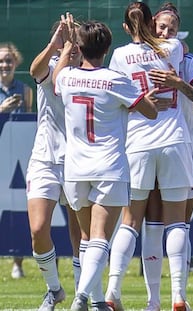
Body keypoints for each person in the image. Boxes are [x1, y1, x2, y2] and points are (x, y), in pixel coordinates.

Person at [52, 15, 158, 311]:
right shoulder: (115, 79)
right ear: (108, 49)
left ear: (80, 47)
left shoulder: (68, 78)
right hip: (108, 166)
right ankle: (81, 297)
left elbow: (56, 80)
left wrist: (67, 45)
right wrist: (141, 99)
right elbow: (149, 112)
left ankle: (97, 300)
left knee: (87, 238)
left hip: (75, 168)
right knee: (99, 238)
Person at [103, 2, 193, 311]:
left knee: (129, 222)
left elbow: (114, 97)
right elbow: (174, 54)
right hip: (173, 140)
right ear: (153, 22)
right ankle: (178, 296)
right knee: (176, 222)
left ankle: (113, 291)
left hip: (138, 141)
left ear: (128, 27)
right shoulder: (175, 47)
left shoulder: (120, 56)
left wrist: (140, 101)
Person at [139, 3, 193, 311]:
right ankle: (155, 300)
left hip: (183, 147)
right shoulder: (137, 56)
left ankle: (177, 296)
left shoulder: (188, 59)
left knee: (178, 222)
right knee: (151, 223)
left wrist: (179, 83)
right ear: (151, 27)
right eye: (161, 28)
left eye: (171, 29)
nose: (166, 33)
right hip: (147, 146)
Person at [27, 17, 83, 310]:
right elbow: (36, 71)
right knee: (38, 229)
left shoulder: (86, 70)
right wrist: (55, 44)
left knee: (79, 234)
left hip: (78, 159)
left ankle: (79, 296)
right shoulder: (48, 65)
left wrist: (74, 49)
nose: (71, 43)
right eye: (66, 36)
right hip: (45, 159)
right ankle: (54, 289)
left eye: (75, 37)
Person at [0, 42, 33, 279]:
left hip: (18, 159)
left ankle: (18, 262)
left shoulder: (25, 89)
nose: (5, 65)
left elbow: (31, 122)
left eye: (9, 60)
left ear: (16, 63)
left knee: (20, 210)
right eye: (1, 61)